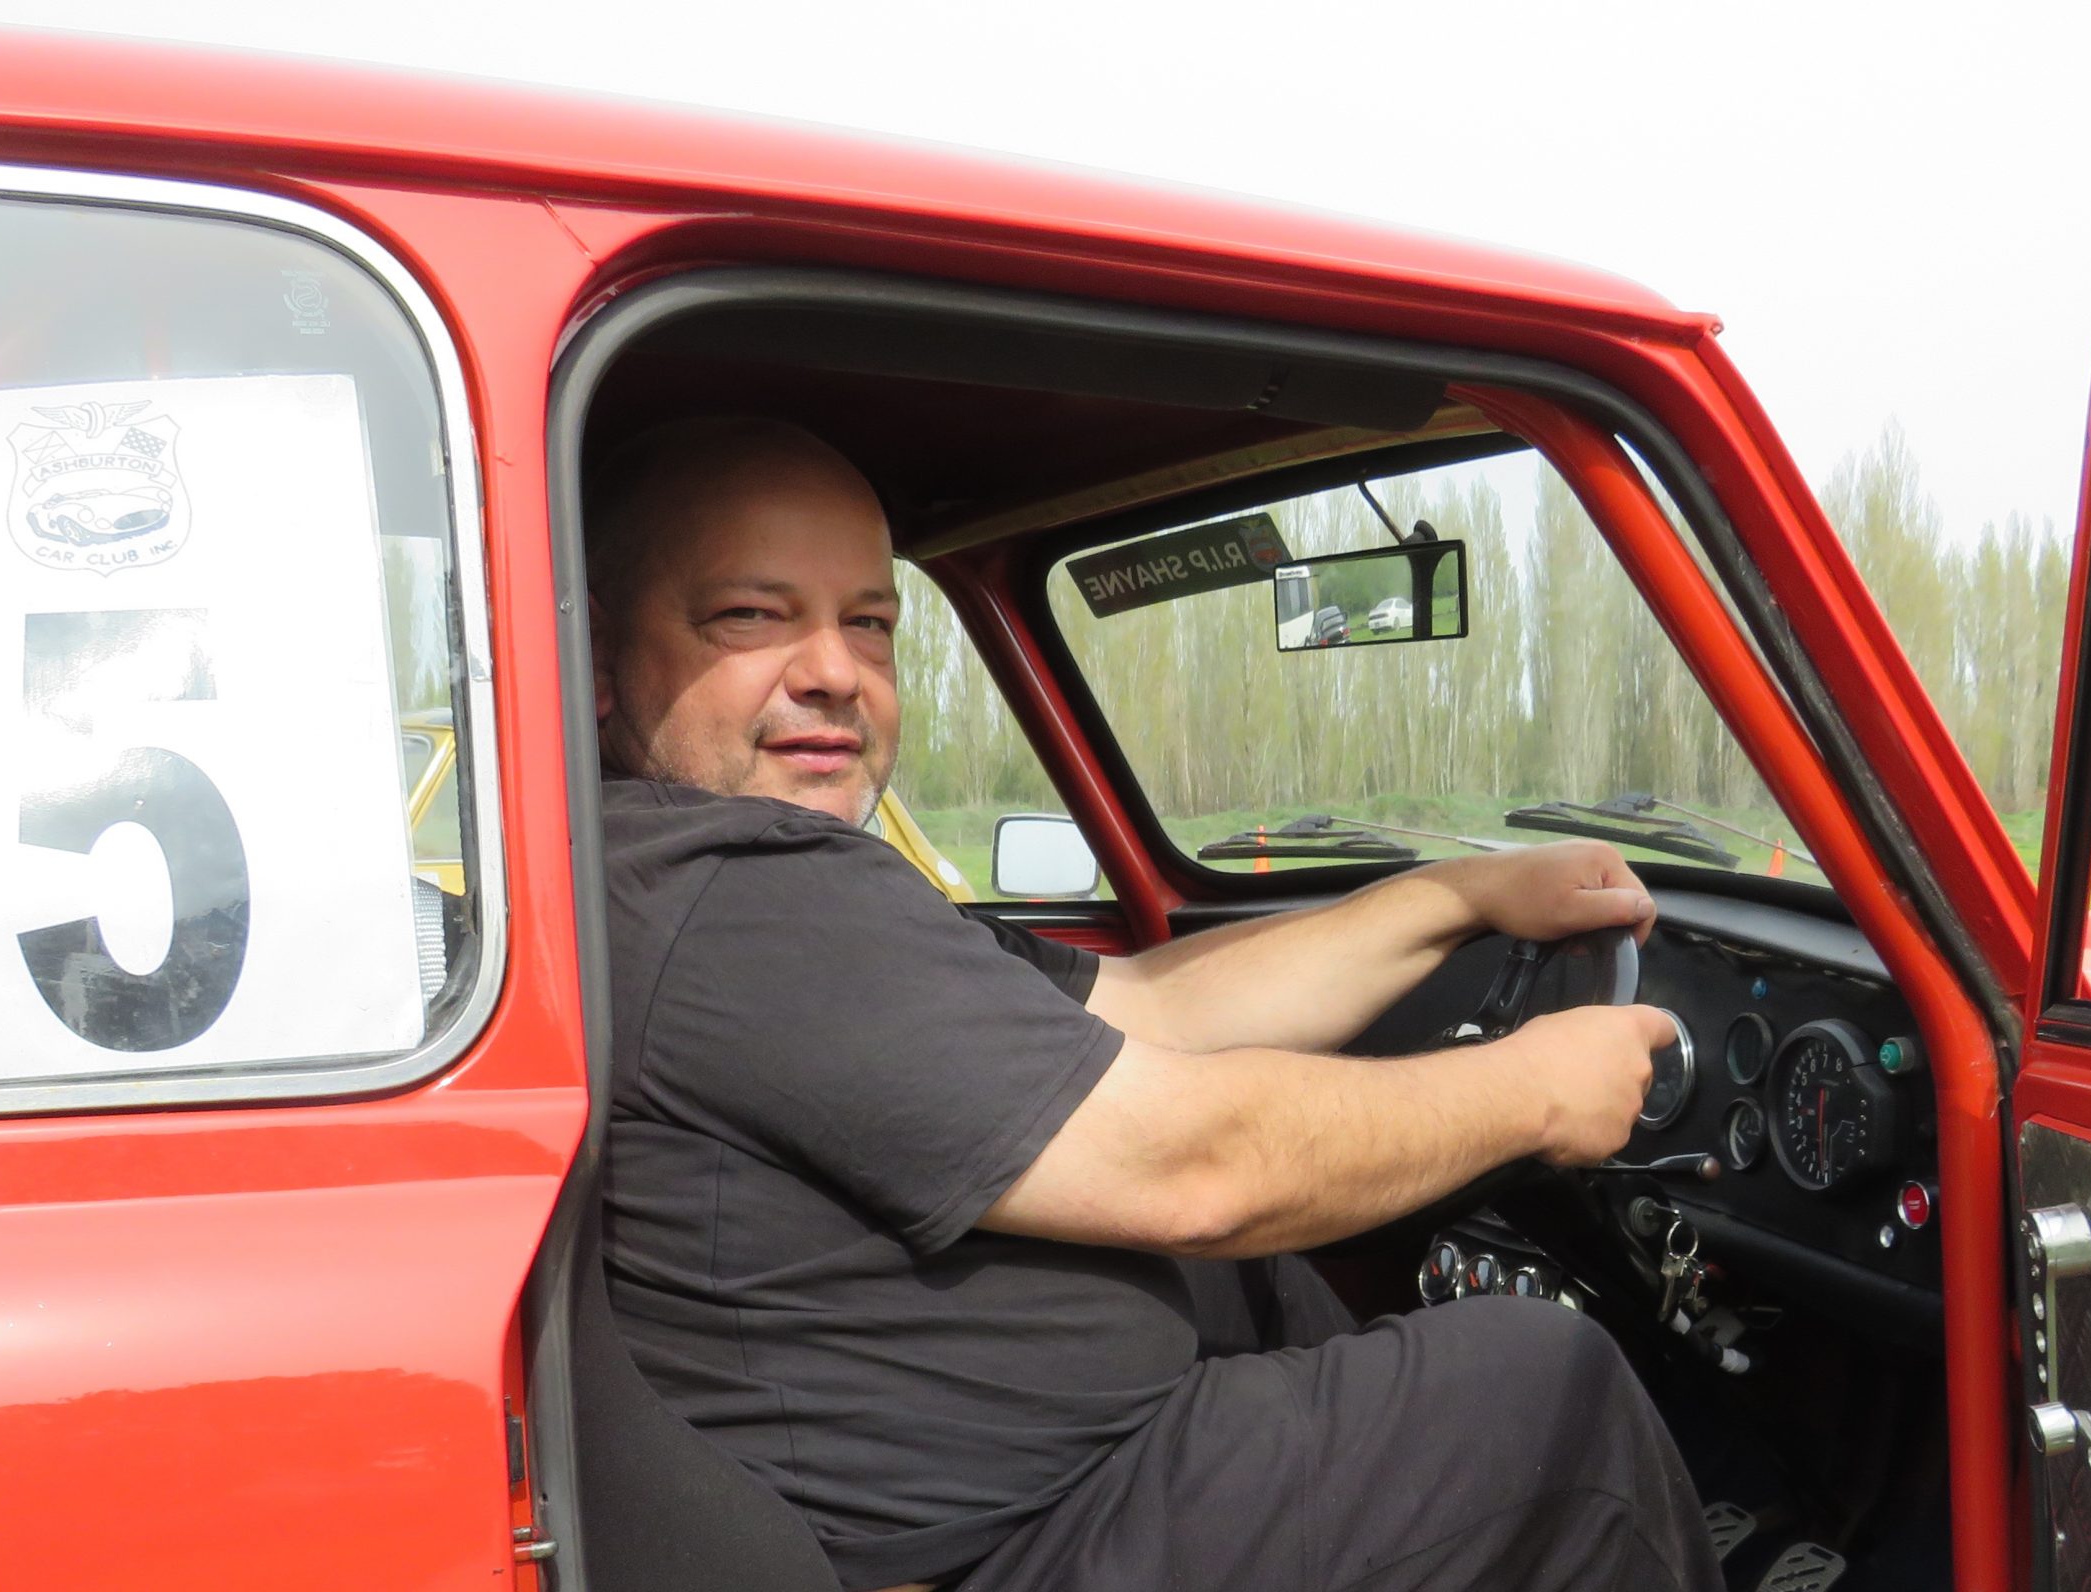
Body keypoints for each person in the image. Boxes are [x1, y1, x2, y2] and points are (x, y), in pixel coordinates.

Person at [589, 415, 1725, 1592]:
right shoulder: (727, 891)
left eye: (868, 622)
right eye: (749, 615)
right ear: (604, 669)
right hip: (1001, 1544)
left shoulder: (742, 882)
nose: (834, 668)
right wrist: (1535, 1088)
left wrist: (1452, 894)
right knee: (1548, 1395)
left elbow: (1141, 1003)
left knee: (1264, 1283)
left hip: (1050, 1485)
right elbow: (1196, 1165)